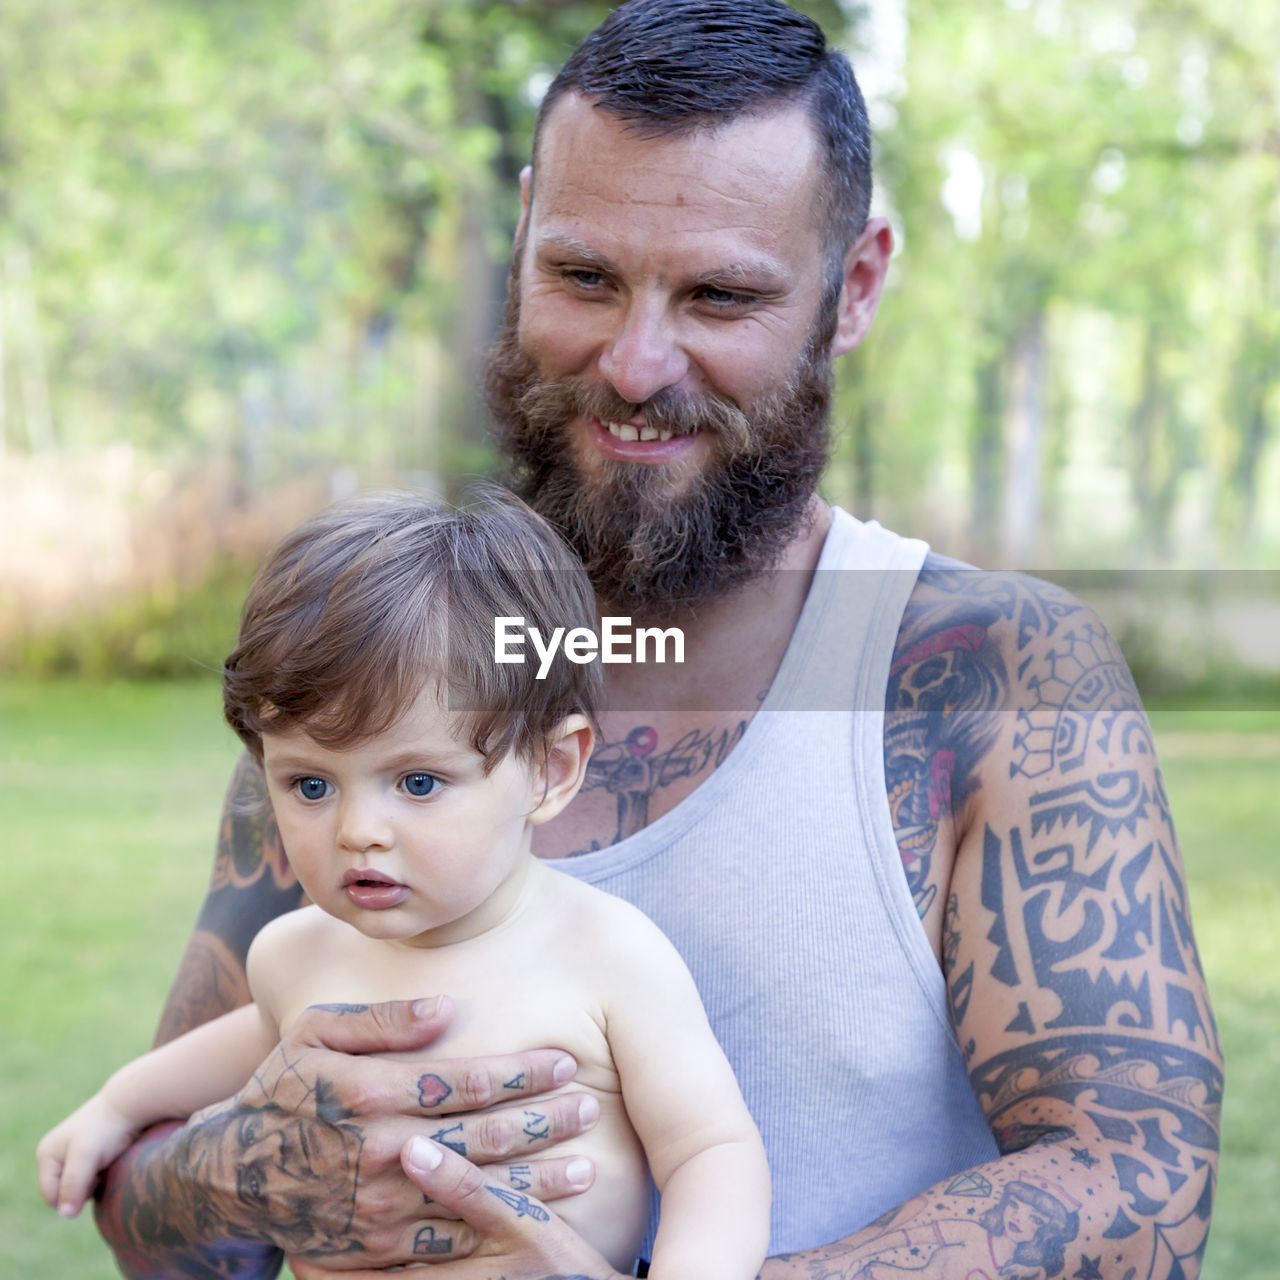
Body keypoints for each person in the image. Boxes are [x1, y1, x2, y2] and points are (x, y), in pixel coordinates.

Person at [87, 2, 1224, 1278]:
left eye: (720, 294)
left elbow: (1140, 1179)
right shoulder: (376, 676)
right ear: (521, 235)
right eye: (582, 276)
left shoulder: (989, 672)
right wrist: (248, 1168)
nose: (634, 363)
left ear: (852, 287)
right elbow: (157, 1205)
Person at [39, 490, 770, 1280]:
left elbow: (710, 1151)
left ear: (552, 770)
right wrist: (119, 1104)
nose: (358, 830)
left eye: (418, 782)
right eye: (310, 786)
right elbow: (246, 1043)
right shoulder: (296, 956)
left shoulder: (604, 954)